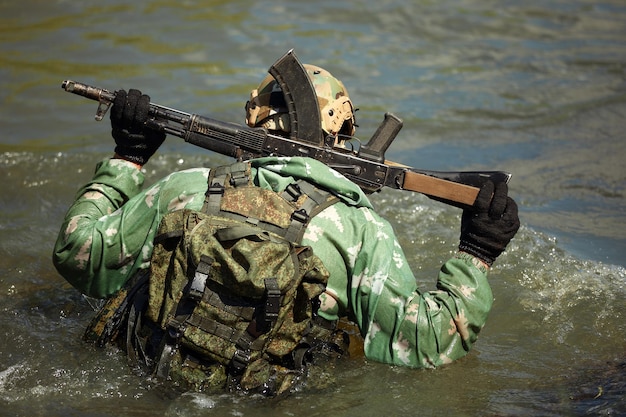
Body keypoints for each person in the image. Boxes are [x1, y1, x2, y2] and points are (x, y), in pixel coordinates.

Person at [53, 61, 519, 392]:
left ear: (255, 120)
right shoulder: (358, 229)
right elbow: (429, 345)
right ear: (344, 137)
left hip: (144, 387)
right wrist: (476, 252)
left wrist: (127, 159)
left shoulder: (185, 188)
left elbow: (78, 256)